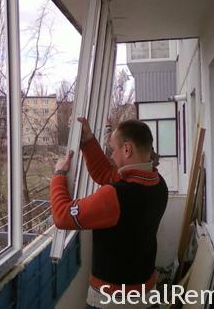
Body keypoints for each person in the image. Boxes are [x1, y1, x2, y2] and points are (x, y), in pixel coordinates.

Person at [50, 117, 168, 308]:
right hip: (146, 295)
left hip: (112, 301)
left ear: (127, 149)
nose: (111, 156)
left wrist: (58, 176)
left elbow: (62, 215)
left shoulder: (117, 195)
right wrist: (88, 141)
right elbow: (106, 173)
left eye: (113, 150)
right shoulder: (158, 183)